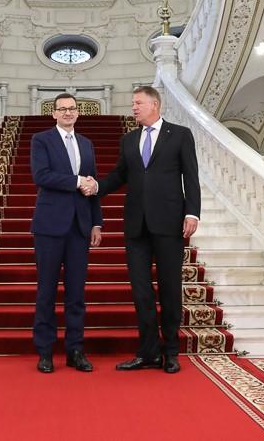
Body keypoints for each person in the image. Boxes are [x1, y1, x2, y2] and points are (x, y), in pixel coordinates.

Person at [83, 86, 199, 374]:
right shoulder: (129, 139)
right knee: (141, 291)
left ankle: (171, 352)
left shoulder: (180, 135)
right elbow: (120, 175)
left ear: (154, 104)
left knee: (170, 288)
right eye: (133, 103)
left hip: (170, 223)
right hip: (136, 226)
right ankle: (148, 352)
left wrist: (192, 213)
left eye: (138, 103)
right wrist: (97, 187)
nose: (133, 107)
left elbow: (191, 176)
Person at [30, 93, 103, 373]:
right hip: (49, 226)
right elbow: (41, 175)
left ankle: (75, 350)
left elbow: (92, 184)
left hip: (80, 227)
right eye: (62, 109)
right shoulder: (41, 140)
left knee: (76, 293)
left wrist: (96, 223)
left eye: (72, 108)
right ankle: (45, 352)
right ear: (54, 113)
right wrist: (76, 181)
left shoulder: (86, 143)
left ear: (78, 112)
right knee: (46, 291)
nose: (68, 113)